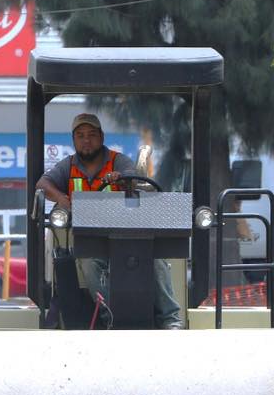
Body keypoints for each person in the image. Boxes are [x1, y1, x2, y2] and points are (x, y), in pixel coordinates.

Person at [37, 113, 183, 329]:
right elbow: (42, 184)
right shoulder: (67, 166)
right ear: (74, 140)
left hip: (127, 235)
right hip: (90, 240)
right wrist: (60, 198)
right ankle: (112, 318)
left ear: (101, 137)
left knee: (156, 259)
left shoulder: (119, 161)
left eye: (92, 135)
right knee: (88, 263)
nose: (86, 141)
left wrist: (122, 181)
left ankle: (171, 320)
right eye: (80, 136)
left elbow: (134, 180)